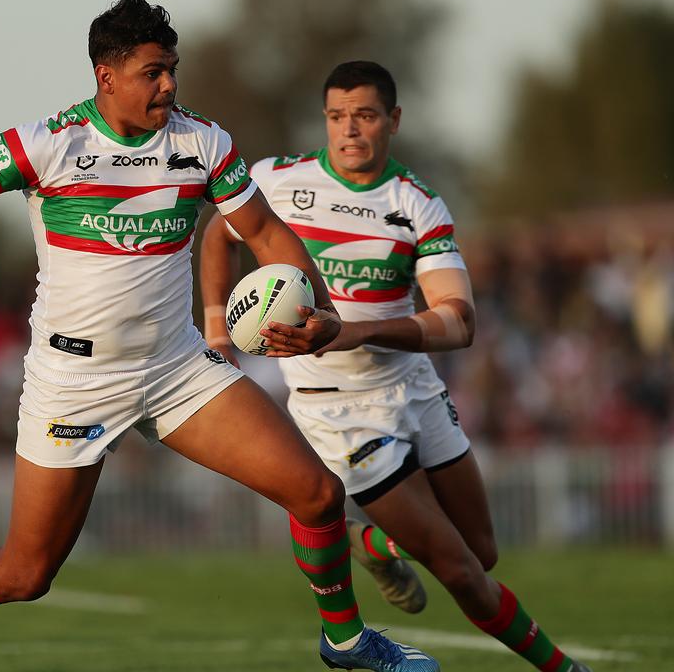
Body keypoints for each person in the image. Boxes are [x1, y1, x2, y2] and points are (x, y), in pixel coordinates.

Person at [0, 0, 437, 672]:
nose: (169, 85)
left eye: (172, 69)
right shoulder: (49, 145)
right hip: (74, 383)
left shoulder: (203, 142)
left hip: (175, 370)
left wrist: (320, 308)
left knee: (316, 492)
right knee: (25, 574)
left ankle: (344, 641)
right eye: (152, 72)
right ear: (105, 75)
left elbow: (263, 233)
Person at [200, 61, 591, 672]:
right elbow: (218, 235)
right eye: (336, 117)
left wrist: (351, 329)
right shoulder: (276, 180)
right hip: (340, 412)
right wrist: (218, 329)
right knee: (459, 572)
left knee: (481, 554)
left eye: (364, 116)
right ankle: (565, 668)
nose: (348, 130)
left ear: (393, 120)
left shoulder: (418, 204)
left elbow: (458, 321)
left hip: (415, 387)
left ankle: (366, 542)